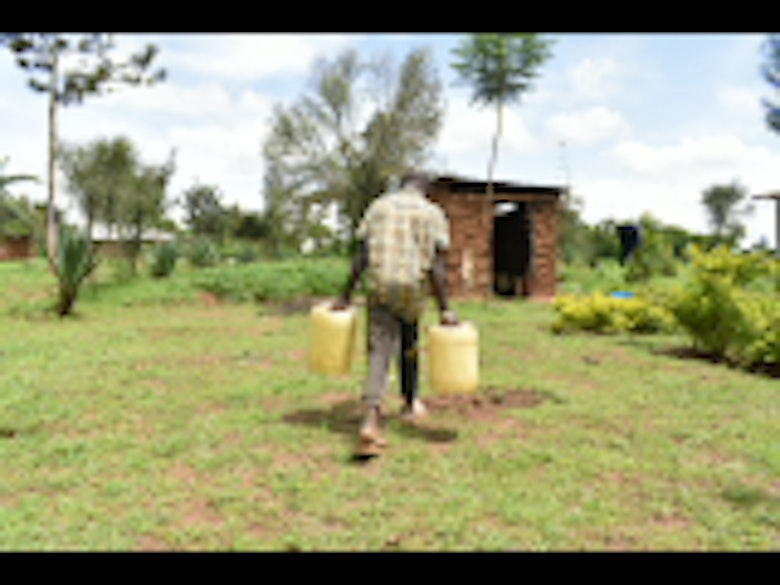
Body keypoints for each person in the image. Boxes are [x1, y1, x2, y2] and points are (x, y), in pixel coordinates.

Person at [333, 171, 458, 456]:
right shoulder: (432, 213)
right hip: (412, 287)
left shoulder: (378, 206)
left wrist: (345, 295)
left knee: (379, 350)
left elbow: (362, 254)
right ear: (425, 189)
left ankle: (371, 419)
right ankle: (410, 403)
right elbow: (439, 267)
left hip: (380, 285)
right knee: (409, 342)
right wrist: (445, 308)